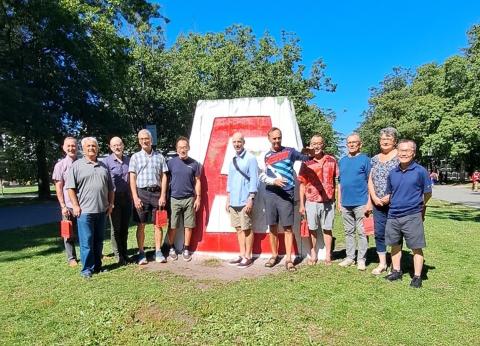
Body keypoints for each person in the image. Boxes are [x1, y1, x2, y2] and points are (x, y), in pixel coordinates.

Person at [260, 127, 313, 272]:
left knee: (288, 228)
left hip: (287, 194)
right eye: (274, 138)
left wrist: (309, 153)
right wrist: (274, 181)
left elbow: (305, 158)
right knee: (272, 226)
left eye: (279, 138)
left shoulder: (290, 151)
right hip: (270, 194)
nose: (277, 141)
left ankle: (289, 259)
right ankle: (274, 255)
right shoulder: (266, 156)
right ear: (269, 139)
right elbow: (264, 176)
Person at [383, 139, 432, 288]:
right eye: (401, 150)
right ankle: (396, 271)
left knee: (416, 246)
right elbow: (389, 193)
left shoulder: (420, 171)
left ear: (413, 153)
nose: (403, 153)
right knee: (395, 245)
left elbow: (427, 193)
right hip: (393, 215)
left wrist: (420, 207)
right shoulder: (392, 173)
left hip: (412, 215)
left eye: (407, 150)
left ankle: (417, 277)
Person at [66, 137, 114, 278]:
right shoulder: (77, 165)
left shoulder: (103, 166)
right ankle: (87, 269)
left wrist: (110, 204)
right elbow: (70, 188)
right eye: (88, 146)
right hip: (85, 211)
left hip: (101, 210)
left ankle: (98, 266)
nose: (91, 148)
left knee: (98, 240)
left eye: (94, 146)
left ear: (97, 148)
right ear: (83, 148)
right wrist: (75, 205)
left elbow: (111, 188)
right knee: (86, 241)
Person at [129, 129, 168, 265]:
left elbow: (164, 177)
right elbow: (132, 177)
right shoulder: (135, 157)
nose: (144, 141)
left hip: (157, 194)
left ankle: (158, 251)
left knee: (158, 224)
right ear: (139, 141)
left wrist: (163, 195)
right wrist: (135, 197)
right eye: (141, 139)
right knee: (141, 224)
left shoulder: (160, 157)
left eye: (146, 138)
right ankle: (141, 253)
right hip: (141, 194)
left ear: (151, 140)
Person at [298, 134, 338, 266]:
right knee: (313, 228)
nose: (316, 146)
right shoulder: (306, 162)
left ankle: (328, 254)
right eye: (314, 143)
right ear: (310, 145)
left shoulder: (332, 160)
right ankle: (313, 253)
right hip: (311, 201)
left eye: (319, 143)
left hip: (328, 201)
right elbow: (302, 184)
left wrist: (337, 199)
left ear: (323, 144)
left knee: (327, 228)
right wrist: (302, 205)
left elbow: (336, 180)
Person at [337, 133, 371, 271]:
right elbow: (340, 183)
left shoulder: (365, 160)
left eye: (354, 142)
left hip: (361, 202)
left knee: (362, 232)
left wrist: (369, 202)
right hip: (345, 203)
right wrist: (339, 201)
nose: (351, 145)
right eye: (349, 142)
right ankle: (350, 257)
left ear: (360, 144)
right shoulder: (342, 161)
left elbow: (370, 181)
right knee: (348, 232)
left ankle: (361, 259)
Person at [368, 127, 399, 275]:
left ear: (395, 141)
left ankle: (395, 265)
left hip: (395, 202)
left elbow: (403, 180)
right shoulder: (374, 159)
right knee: (379, 233)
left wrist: (390, 196)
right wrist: (373, 197)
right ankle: (382, 264)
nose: (385, 142)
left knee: (395, 233)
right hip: (377, 203)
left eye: (388, 139)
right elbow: (370, 179)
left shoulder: (400, 157)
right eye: (382, 139)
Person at [165, 136, 201, 262]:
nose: (182, 149)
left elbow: (197, 181)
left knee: (189, 226)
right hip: (174, 199)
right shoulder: (170, 163)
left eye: (185, 147)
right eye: (180, 147)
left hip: (189, 199)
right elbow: (165, 179)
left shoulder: (195, 164)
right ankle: (171, 248)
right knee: (173, 225)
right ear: (176, 149)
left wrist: (198, 198)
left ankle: (186, 249)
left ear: (188, 148)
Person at [225, 132, 259, 268]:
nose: (237, 144)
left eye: (239, 141)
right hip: (233, 200)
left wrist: (251, 198)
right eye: (234, 142)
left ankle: (248, 256)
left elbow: (254, 180)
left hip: (245, 200)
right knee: (238, 228)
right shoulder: (233, 160)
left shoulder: (251, 159)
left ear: (243, 142)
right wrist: (228, 199)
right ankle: (242, 253)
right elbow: (230, 181)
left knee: (247, 228)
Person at [103, 136, 132, 265]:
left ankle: (125, 253)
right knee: (115, 228)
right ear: (110, 147)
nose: (117, 147)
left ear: (123, 145)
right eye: (114, 145)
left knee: (125, 227)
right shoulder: (106, 162)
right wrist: (109, 201)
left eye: (119, 144)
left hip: (127, 197)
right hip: (114, 198)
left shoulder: (129, 161)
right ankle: (118, 255)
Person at [52, 137, 79, 267]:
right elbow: (58, 187)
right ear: (63, 148)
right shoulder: (60, 166)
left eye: (73, 146)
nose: (71, 148)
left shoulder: (82, 163)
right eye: (68, 146)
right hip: (68, 206)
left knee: (87, 232)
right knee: (68, 233)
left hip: (83, 204)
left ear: (77, 147)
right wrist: (63, 205)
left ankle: (89, 254)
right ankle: (71, 258)